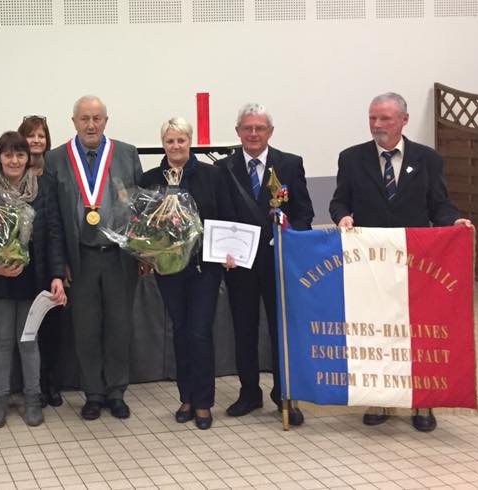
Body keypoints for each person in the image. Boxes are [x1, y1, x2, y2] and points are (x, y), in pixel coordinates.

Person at [329, 92, 472, 432]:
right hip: (370, 260)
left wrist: (455, 223)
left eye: (385, 119)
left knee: (416, 331)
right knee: (376, 329)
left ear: (404, 120)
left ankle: (423, 402)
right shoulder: (351, 158)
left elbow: (439, 205)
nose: (377, 125)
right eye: (372, 118)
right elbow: (339, 201)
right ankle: (379, 399)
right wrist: (343, 218)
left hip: (416, 262)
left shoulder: (428, 159)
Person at [216, 103, 314, 426]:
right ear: (238, 132)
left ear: (270, 132)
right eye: (247, 128)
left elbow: (304, 214)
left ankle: (284, 394)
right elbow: (216, 216)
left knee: (281, 331)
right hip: (238, 266)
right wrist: (223, 250)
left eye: (259, 128)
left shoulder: (289, 164)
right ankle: (249, 392)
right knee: (243, 329)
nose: (253, 134)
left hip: (279, 264)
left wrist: (289, 235)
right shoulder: (224, 168)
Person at [45, 95, 142, 420]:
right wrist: (60, 264)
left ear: (106, 121)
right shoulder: (56, 159)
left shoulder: (127, 154)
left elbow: (140, 209)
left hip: (119, 258)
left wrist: (143, 252)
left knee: (119, 327)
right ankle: (93, 393)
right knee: (85, 330)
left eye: (97, 118)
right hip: (80, 259)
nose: (91, 124)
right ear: (73, 122)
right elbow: (54, 219)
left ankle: (116, 392)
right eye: (84, 118)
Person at [140, 118, 235, 430]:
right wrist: (145, 251)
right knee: (180, 330)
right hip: (168, 269)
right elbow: (142, 225)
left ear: (190, 141)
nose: (175, 146)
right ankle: (187, 397)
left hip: (203, 267)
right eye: (170, 141)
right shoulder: (151, 179)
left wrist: (229, 250)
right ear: (163, 144)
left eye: (181, 140)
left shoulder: (212, 174)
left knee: (200, 331)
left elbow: (225, 216)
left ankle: (204, 401)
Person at [0, 131, 67, 428]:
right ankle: (0, 399)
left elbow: (54, 233)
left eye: (20, 155)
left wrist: (56, 274)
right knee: (3, 341)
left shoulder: (43, 187)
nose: (14, 160)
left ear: (28, 158)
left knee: (28, 340)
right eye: (8, 155)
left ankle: (32, 398)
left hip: (34, 278)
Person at [19, 115, 65, 407]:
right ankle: (30, 387)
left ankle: (51, 382)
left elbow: (57, 227)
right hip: (20, 266)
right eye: (30, 135)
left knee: (52, 328)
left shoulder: (52, 179)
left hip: (48, 264)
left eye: (41, 136)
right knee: (26, 330)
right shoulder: (9, 176)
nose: (36, 141)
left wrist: (60, 269)